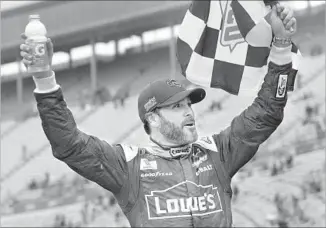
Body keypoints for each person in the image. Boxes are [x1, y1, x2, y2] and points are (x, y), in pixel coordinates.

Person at [20, 4, 297, 227]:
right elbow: (68, 144)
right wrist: (44, 79)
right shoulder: (129, 167)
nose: (189, 111)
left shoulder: (218, 153)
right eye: (177, 107)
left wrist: (282, 44)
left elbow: (268, 112)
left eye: (189, 105)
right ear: (152, 118)